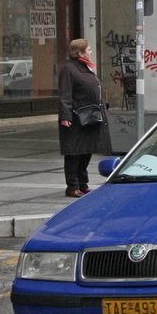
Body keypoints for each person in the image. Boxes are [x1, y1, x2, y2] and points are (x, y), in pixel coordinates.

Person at [58, 38, 111, 198]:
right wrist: (65, 116)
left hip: (89, 118)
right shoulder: (69, 69)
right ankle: (72, 187)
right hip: (75, 119)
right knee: (74, 154)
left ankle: (83, 184)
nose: (91, 52)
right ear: (80, 53)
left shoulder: (85, 67)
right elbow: (65, 94)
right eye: (88, 49)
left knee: (86, 152)